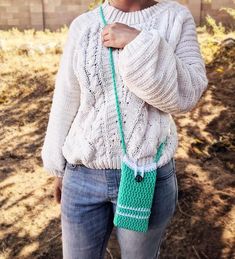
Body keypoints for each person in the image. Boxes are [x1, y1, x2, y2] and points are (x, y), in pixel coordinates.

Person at [41, 0, 208, 258]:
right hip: (82, 175)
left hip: (147, 174)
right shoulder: (83, 26)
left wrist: (140, 43)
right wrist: (58, 167)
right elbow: (66, 97)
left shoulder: (176, 18)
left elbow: (187, 95)